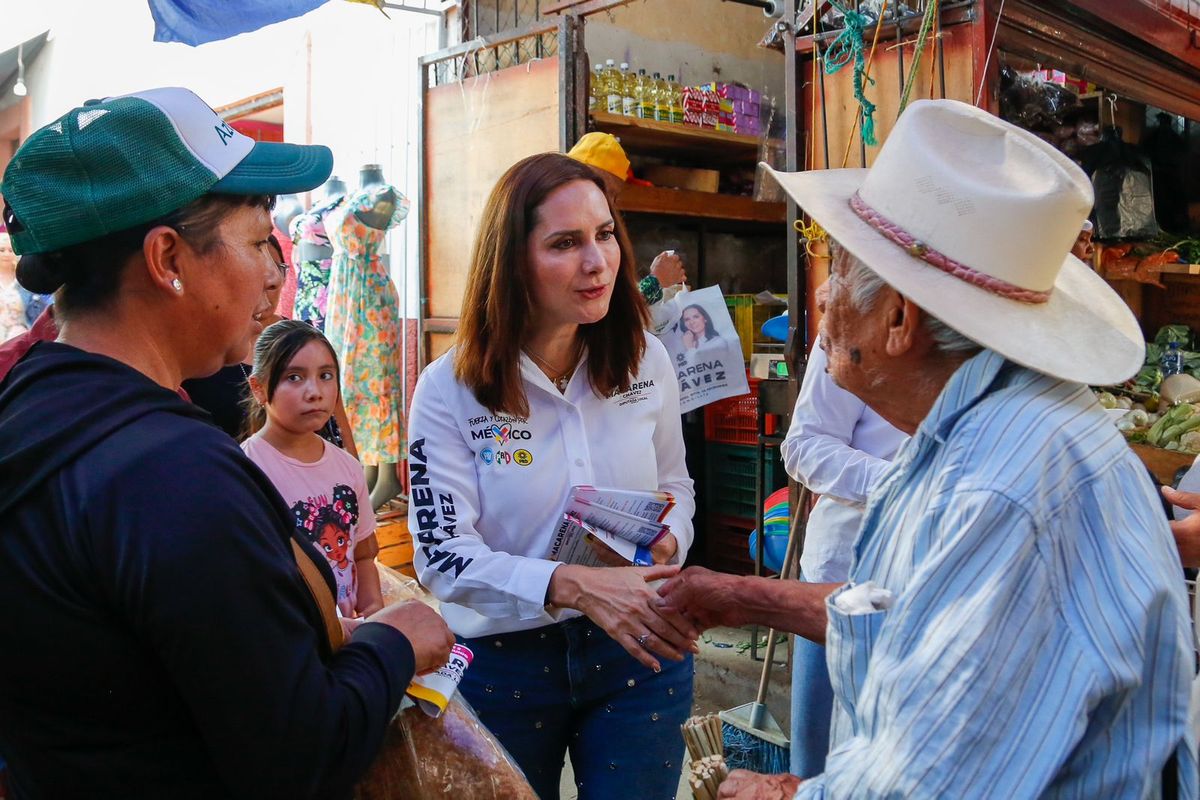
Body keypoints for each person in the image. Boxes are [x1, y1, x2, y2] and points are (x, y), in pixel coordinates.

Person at [655, 99, 1197, 798]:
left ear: (900, 319)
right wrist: (740, 595)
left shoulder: (998, 487)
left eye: (842, 276)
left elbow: (923, 784)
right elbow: (912, 622)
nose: (824, 299)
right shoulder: (982, 426)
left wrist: (774, 793)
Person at [0, 87, 453, 797]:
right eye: (255, 245)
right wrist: (393, 644)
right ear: (166, 258)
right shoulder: (173, 476)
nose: (274, 274)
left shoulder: (30, 407)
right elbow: (299, 751)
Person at [407, 152, 698, 800]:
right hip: (506, 669)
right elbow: (442, 557)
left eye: (604, 235)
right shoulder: (449, 391)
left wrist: (670, 538)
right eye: (565, 243)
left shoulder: (646, 358)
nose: (596, 261)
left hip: (639, 649)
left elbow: (676, 483)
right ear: (512, 261)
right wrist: (573, 584)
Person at [779, 290, 907, 777]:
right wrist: (909, 483)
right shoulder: (856, 323)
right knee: (818, 765)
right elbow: (806, 444)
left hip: (939, 580)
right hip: (844, 576)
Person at [242, 319, 383, 619]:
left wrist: (373, 615)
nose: (315, 392)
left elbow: (363, 554)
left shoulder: (347, 467)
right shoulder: (246, 469)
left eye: (326, 375)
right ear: (258, 388)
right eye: (294, 377)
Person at [183, 234, 357, 453]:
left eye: (276, 269)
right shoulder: (201, 356)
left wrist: (352, 467)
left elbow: (338, 418)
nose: (269, 281)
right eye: (258, 270)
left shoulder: (306, 339)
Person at [566, 132, 689, 328]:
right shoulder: (563, 226)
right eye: (601, 189)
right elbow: (609, 319)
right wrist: (657, 282)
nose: (606, 202)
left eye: (613, 196)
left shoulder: (606, 236)